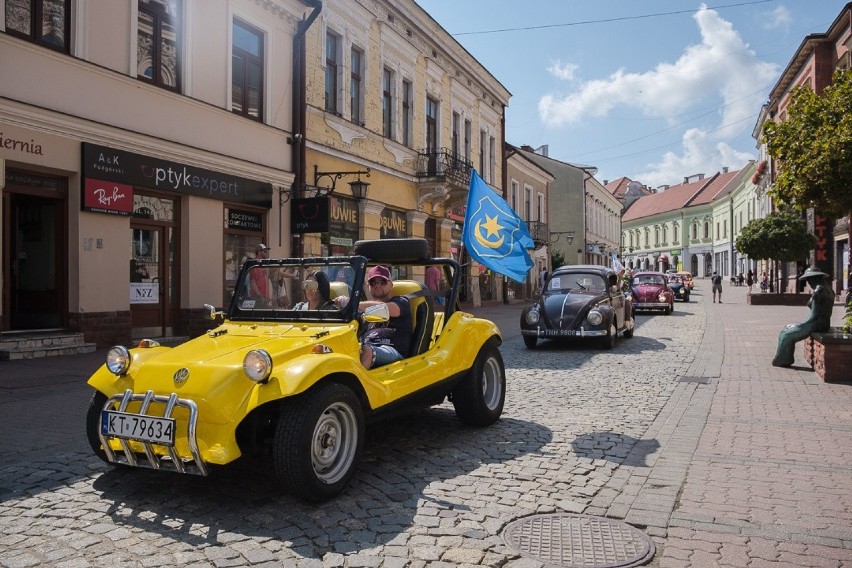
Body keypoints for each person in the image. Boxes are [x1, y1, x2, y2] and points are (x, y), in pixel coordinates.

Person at [772, 267, 835, 367]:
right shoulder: (828, 289)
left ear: (814, 278)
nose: (808, 283)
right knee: (787, 328)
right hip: (824, 323)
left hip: (816, 324)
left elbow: (814, 316)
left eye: (809, 280)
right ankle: (785, 358)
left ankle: (782, 360)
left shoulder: (818, 292)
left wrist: (799, 326)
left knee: (785, 334)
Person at [358, 265, 412, 369]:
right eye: (373, 282)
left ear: (391, 285)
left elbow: (385, 309)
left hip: (393, 351)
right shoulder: (361, 310)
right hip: (366, 347)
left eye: (382, 282)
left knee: (367, 351)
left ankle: (356, 385)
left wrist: (354, 304)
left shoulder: (401, 301)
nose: (377, 285)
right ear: (368, 286)